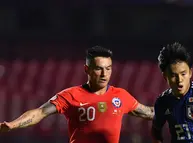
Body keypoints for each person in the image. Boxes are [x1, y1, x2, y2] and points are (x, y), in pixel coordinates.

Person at [0, 46, 154, 143]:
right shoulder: (71, 95)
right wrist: (14, 124)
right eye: (99, 69)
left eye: (108, 68)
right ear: (87, 69)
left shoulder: (120, 96)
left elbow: (148, 112)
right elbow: (40, 112)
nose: (104, 74)